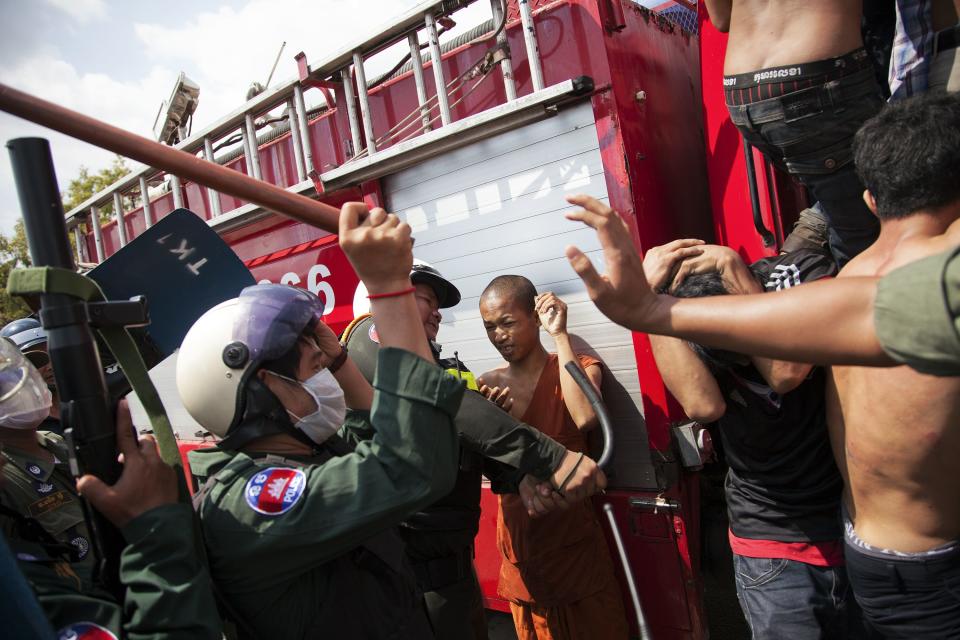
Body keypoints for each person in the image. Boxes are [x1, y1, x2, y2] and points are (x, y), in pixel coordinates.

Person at [566, 91, 960, 637]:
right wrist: (651, 312)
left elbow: (785, 368)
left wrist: (683, 297)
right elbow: (718, 398)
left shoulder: (826, 285)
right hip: (791, 547)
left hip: (855, 543)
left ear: (871, 200)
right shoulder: (864, 289)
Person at [183, 202, 463, 639]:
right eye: (315, 369)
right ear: (264, 388)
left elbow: (372, 427)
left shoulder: (308, 454)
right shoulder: (250, 503)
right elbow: (412, 462)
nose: (327, 380)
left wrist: (339, 362)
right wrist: (389, 288)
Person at [341, 261, 606, 640]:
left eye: (437, 305)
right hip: (407, 573)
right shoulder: (371, 339)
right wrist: (551, 458)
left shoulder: (445, 367)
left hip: (451, 567)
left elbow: (467, 433)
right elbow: (455, 408)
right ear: (380, 301)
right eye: (425, 299)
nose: (437, 312)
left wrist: (517, 476)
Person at [644, 241, 861, 638]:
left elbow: (785, 372)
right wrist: (649, 302)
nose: (736, 360)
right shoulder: (680, 316)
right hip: (771, 546)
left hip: (855, 526)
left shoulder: (798, 275)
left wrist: (734, 271)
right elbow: (703, 404)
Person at [0, 340, 220, 639]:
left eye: (17, 373)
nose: (20, 385)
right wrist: (155, 534)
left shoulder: (62, 445)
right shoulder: (7, 486)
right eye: (4, 383)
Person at [477, 276, 628, 640]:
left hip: (573, 547)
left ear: (535, 317)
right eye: (490, 327)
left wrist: (560, 335)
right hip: (522, 550)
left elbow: (585, 418)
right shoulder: (488, 384)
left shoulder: (577, 366)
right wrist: (495, 423)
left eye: (507, 323)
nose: (499, 335)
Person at [705, 0, 884, 265]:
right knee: (870, 236)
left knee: (838, 198)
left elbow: (721, 20)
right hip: (814, 80)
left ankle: (802, 257)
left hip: (743, 93)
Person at [1, 317, 61, 435]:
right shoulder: (21, 424)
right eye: (32, 361)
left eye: (53, 354)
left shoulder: (89, 399)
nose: (50, 366)